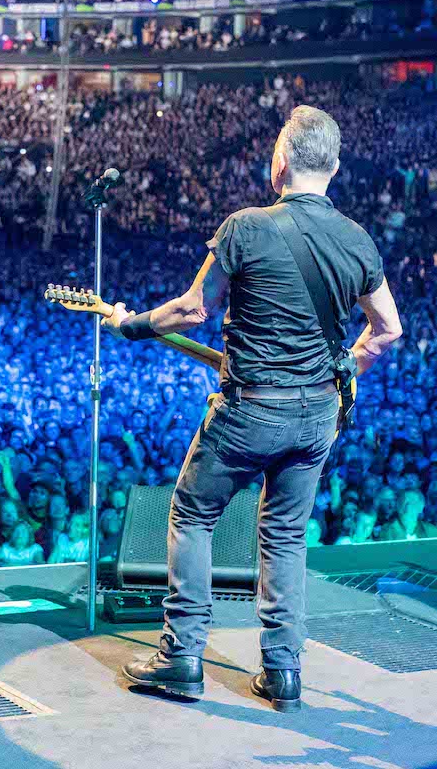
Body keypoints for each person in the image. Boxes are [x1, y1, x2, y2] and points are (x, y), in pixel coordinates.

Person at [105, 105, 402, 712]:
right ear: (336, 168)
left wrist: (128, 324)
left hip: (251, 411)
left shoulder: (245, 226)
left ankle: (181, 657)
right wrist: (345, 369)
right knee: (286, 535)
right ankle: (283, 673)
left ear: (281, 162)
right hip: (317, 416)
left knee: (191, 512)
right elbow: (387, 329)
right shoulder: (358, 240)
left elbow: (193, 311)